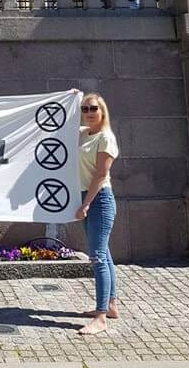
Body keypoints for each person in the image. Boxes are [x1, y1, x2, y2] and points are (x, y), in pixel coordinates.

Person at [75, 92, 120, 336]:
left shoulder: (106, 138)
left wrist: (86, 205)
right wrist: (73, 98)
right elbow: (63, 122)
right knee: (106, 255)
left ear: (102, 110)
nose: (89, 113)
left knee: (98, 257)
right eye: (85, 109)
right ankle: (111, 305)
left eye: (93, 108)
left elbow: (101, 175)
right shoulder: (84, 133)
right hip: (87, 198)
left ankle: (100, 317)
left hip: (99, 199)